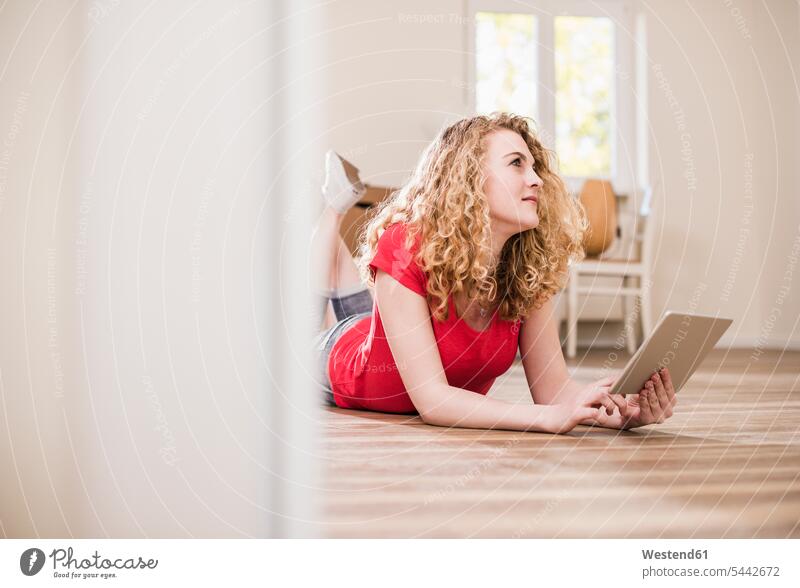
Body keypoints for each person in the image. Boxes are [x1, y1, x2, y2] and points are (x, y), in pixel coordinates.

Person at [310, 113, 676, 434]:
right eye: (516, 163)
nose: (536, 180)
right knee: (314, 321)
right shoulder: (405, 245)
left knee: (356, 301)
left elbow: (554, 393)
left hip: (388, 331)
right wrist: (546, 419)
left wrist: (615, 411)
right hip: (339, 358)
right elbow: (434, 402)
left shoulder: (526, 268)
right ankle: (333, 209)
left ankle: (334, 208)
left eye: (534, 167)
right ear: (468, 179)